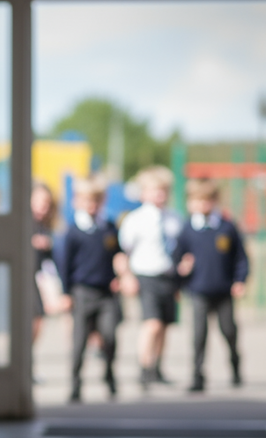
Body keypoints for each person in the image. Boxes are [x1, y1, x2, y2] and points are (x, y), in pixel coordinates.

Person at [172, 178, 250, 393]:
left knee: (229, 332)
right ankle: (198, 376)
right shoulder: (188, 229)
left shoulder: (227, 227)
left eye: (205, 200)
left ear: (214, 201)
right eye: (196, 201)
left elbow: (241, 258)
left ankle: (235, 367)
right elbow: (177, 258)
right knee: (199, 336)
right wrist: (180, 276)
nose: (201, 205)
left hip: (223, 291)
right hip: (198, 291)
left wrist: (240, 280)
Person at [54, 178, 123, 403]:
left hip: (106, 292)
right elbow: (64, 264)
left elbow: (117, 254)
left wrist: (120, 275)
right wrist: (66, 293)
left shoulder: (108, 227)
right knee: (79, 342)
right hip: (82, 291)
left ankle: (110, 375)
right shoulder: (73, 232)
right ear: (77, 202)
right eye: (86, 200)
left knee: (110, 336)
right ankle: (75, 384)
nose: (91, 205)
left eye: (95, 200)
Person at [117, 165, 184, 388]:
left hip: (168, 276)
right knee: (152, 323)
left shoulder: (175, 219)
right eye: (155, 190)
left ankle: (157, 367)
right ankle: (144, 367)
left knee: (164, 325)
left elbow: (181, 249)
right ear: (144, 192)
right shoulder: (135, 220)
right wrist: (126, 276)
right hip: (146, 276)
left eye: (163, 190)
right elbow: (123, 252)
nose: (159, 194)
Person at [31, 181, 60, 345]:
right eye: (39, 203)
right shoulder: (24, 225)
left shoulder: (47, 228)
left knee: (38, 320)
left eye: (46, 204)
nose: (43, 208)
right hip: (23, 280)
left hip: (38, 280)